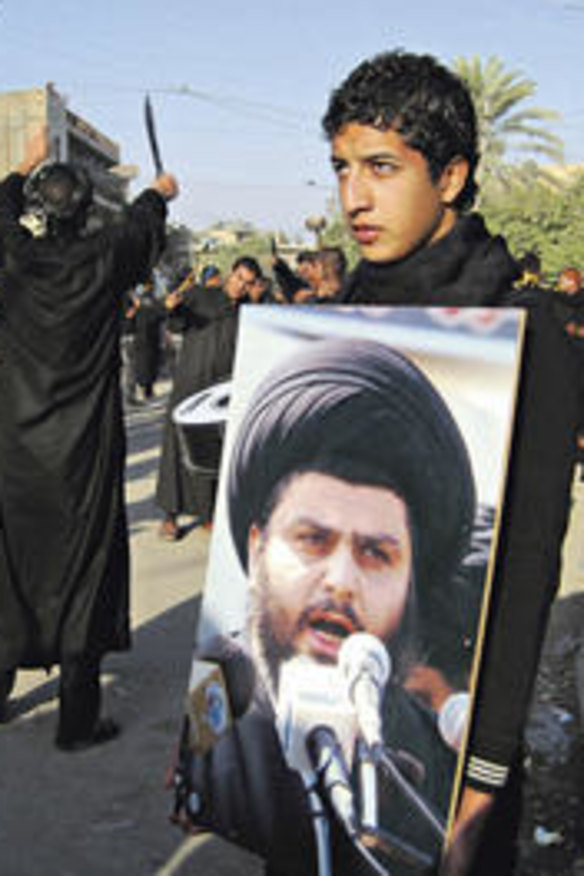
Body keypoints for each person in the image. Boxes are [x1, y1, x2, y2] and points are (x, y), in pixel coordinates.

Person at [321, 49, 582, 874]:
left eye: (382, 167)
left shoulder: (520, 327)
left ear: (453, 175)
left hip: (452, 758)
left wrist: (486, 776)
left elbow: (528, 565)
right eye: (341, 168)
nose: (354, 196)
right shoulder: (338, 320)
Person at [176, 336, 491, 875]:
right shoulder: (222, 673)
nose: (342, 582)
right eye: (313, 540)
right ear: (257, 549)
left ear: (411, 583)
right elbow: (196, 764)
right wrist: (192, 777)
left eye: (376, 553)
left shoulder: (430, 756)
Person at [0, 127, 178, 748]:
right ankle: (77, 722)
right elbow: (139, 224)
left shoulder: (13, 257)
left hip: (14, 445)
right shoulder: (103, 258)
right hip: (83, 445)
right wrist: (158, 192)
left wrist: (20, 169)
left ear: (40, 209)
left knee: (10, 564)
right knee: (84, 565)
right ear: (83, 206)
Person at [155, 256, 263, 540]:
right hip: (189, 385)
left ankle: (207, 514)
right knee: (177, 450)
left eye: (248, 283)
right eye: (239, 278)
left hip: (219, 395)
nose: (241, 286)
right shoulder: (201, 295)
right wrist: (173, 308)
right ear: (231, 274)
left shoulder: (248, 312)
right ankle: (169, 516)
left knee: (210, 454)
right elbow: (178, 324)